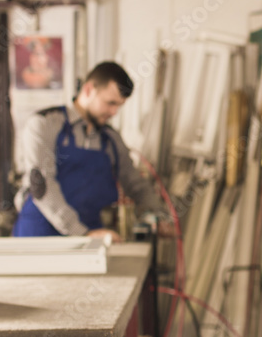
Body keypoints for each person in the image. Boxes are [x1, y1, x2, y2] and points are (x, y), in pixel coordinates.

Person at [12, 61, 164, 240]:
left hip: (90, 237)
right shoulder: (45, 124)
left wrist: (159, 217)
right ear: (88, 90)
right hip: (40, 236)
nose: (114, 112)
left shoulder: (111, 139)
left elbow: (134, 183)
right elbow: (41, 185)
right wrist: (81, 233)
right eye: (110, 103)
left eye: (119, 106)